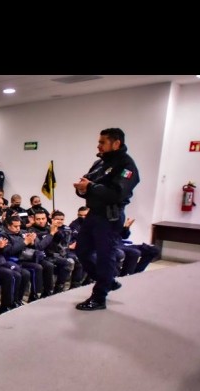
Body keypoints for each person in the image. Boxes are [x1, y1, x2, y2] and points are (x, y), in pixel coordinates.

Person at [73, 127, 140, 310]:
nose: (99, 145)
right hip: (93, 213)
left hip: (110, 216)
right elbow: (87, 182)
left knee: (105, 256)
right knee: (82, 251)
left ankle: (99, 297)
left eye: (102, 142)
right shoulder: (99, 163)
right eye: (99, 142)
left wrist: (90, 188)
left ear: (116, 143)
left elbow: (117, 193)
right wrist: (81, 189)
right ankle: (108, 280)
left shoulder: (126, 166)